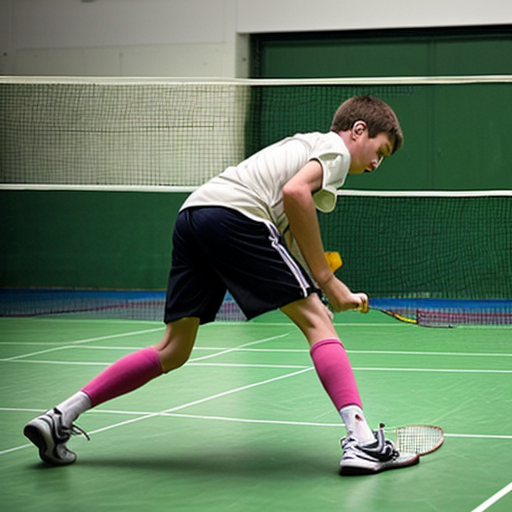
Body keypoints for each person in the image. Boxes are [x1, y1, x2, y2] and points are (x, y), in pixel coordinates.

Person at [24, 95, 419, 475]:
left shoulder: (305, 148)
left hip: (195, 216)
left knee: (173, 349)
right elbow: (294, 193)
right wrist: (326, 282)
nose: (375, 164)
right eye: (379, 151)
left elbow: (287, 237)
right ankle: (363, 441)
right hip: (238, 216)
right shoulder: (333, 149)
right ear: (358, 130)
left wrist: (324, 291)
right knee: (319, 324)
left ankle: (62, 415)